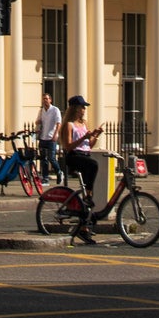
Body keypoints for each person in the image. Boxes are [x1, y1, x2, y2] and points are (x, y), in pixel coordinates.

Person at [58, 96, 104, 245]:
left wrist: (95, 135)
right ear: (74, 109)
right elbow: (68, 146)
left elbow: (89, 145)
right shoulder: (69, 125)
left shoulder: (83, 124)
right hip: (74, 156)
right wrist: (84, 136)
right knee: (93, 165)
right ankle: (88, 194)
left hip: (84, 154)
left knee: (87, 201)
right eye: (81, 107)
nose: (84, 110)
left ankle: (84, 228)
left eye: (84, 107)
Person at [35, 91, 63, 182]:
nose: (45, 101)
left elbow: (59, 123)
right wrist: (38, 123)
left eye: (47, 99)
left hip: (51, 138)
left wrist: (55, 135)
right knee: (43, 159)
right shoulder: (41, 110)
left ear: (50, 100)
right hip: (43, 137)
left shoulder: (55, 110)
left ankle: (59, 172)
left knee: (51, 158)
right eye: (44, 99)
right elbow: (37, 121)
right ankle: (45, 177)